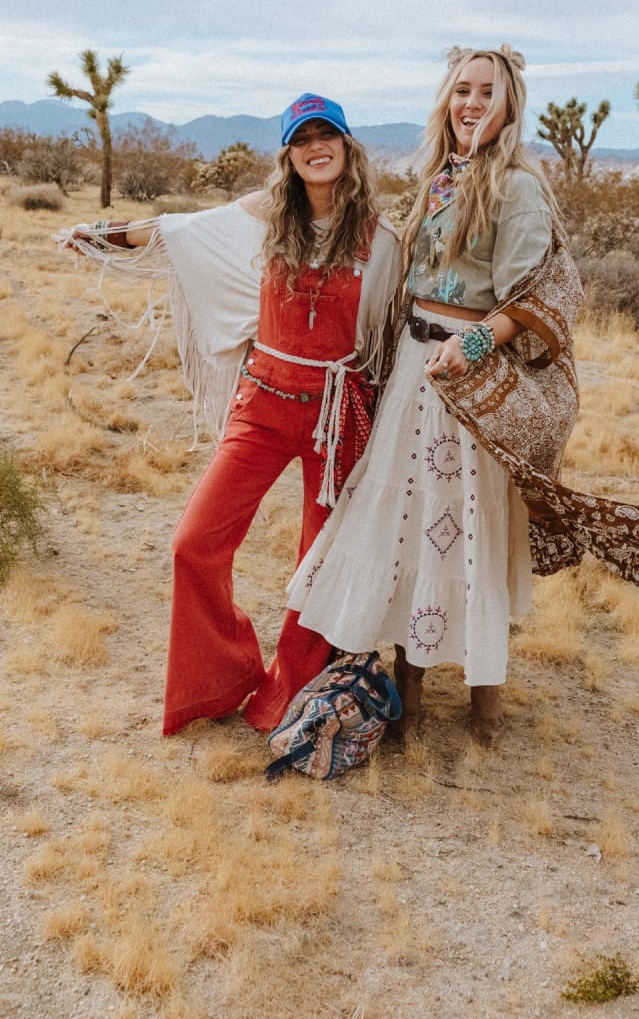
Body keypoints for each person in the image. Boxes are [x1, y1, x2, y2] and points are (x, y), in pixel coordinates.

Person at [286, 46, 639, 748]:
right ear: (446, 99)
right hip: (415, 372)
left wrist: (476, 342)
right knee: (405, 522)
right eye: (462, 90)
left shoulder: (517, 186)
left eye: (488, 91)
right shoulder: (438, 179)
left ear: (509, 103)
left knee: (467, 528)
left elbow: (539, 293)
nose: (472, 103)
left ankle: (484, 701)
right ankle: (408, 687)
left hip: (470, 380)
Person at [58, 93, 402, 735]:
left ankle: (291, 691)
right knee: (194, 543)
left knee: (319, 560)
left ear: (347, 146)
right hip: (263, 403)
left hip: (336, 412)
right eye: (303, 139)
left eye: (327, 135)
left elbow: (397, 326)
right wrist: (101, 236)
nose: (316, 147)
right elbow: (179, 230)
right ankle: (220, 676)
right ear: (289, 155)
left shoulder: (382, 239)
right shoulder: (264, 216)